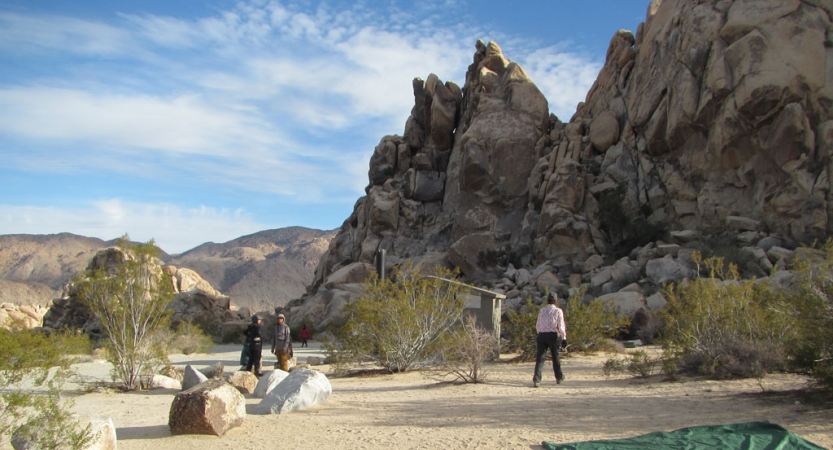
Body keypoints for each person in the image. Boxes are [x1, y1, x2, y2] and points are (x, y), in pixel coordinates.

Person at [533, 293, 567, 387]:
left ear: (547, 300)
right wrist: (563, 337)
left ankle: (537, 379)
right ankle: (559, 377)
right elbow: (560, 325)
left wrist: (540, 333)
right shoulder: (558, 311)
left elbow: (538, 325)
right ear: (556, 300)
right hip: (552, 335)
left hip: (542, 335)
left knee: (540, 358)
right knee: (555, 357)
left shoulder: (542, 310)